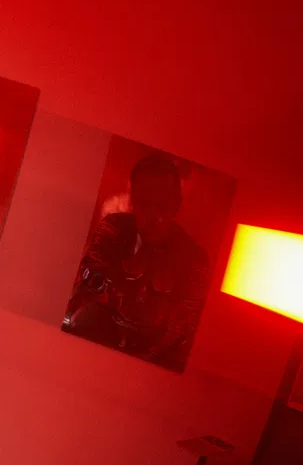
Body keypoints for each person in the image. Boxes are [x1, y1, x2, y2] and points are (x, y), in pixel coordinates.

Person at [63, 152, 210, 369]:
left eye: (162, 204)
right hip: (98, 332)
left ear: (176, 204)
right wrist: (126, 271)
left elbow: (188, 326)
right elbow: (89, 275)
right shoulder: (114, 227)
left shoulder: (194, 258)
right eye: (144, 203)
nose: (153, 213)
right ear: (133, 202)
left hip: (154, 356)